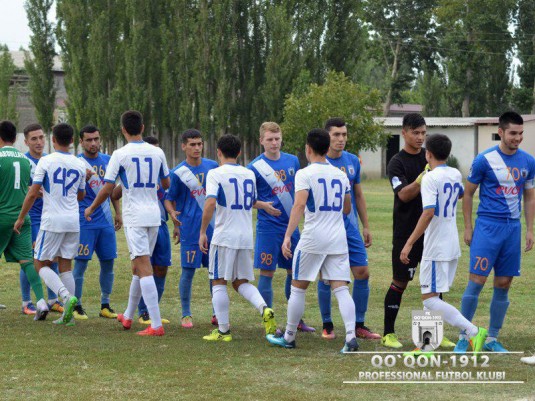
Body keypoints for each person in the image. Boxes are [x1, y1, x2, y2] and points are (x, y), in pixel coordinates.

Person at [266, 128, 358, 353]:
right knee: (341, 289)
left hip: (313, 237)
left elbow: (299, 205)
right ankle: (351, 337)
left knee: (298, 288)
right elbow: (347, 207)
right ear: (327, 148)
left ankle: (288, 336)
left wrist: (288, 236)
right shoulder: (341, 175)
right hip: (337, 238)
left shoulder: (305, 174)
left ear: (308, 149)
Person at [454, 111, 535, 353]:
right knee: (476, 282)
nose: (517, 138)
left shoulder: (529, 161)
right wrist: (468, 227)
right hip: (487, 227)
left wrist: (530, 229)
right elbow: (468, 194)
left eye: (521, 133)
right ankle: (464, 336)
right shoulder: (484, 160)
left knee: (504, 283)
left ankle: (492, 339)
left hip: (513, 229)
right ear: (500, 132)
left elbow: (530, 197)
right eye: (513, 133)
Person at [400, 133, 487, 354]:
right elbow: (458, 195)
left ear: (428, 153)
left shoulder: (430, 178)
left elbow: (428, 213)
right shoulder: (455, 173)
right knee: (432, 295)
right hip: (450, 244)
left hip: (436, 246)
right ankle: (426, 347)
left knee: (429, 300)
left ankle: (473, 331)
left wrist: (409, 242)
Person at [85, 110, 170, 336]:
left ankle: (156, 324)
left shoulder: (120, 154)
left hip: (135, 216)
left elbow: (107, 187)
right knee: (138, 267)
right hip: (154, 215)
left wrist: (92, 207)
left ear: (123, 130)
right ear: (143, 128)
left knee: (143, 267)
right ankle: (129, 316)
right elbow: (166, 182)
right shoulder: (158, 151)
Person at [382, 113, 456, 349]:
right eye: (416, 133)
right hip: (406, 232)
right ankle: (388, 333)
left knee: (433, 286)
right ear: (404, 132)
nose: (420, 137)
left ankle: (433, 334)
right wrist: (422, 178)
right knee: (400, 281)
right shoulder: (397, 162)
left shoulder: (431, 159)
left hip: (431, 234)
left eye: (423, 133)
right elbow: (403, 195)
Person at [199, 134, 277, 342]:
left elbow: (210, 203)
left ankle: (223, 331)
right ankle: (264, 309)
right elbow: (248, 200)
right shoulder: (248, 174)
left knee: (218, 281)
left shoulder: (215, 173)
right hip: (245, 236)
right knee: (240, 281)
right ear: (240, 152)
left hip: (224, 235)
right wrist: (263, 205)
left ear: (218, 152)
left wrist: (202, 232)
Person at [14, 123, 86, 325]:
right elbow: (81, 195)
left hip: (52, 220)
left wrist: (20, 218)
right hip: (73, 221)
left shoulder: (46, 161)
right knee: (66, 266)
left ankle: (65, 296)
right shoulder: (80, 164)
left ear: (52, 140)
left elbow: (32, 191)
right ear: (72, 141)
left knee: (38, 262)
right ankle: (67, 317)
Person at [247, 122, 314, 333]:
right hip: (268, 228)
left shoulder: (292, 161)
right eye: (270, 139)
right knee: (267, 273)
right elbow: (246, 199)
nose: (274, 143)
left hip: (290, 228)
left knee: (294, 272)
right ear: (261, 141)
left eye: (277, 139)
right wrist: (261, 205)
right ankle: (270, 321)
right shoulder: (254, 167)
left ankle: (296, 319)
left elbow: (300, 190)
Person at [317, 118, 380, 340]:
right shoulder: (318, 162)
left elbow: (359, 195)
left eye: (344, 135)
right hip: (327, 229)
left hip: (350, 228)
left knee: (362, 273)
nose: (341, 139)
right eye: (336, 135)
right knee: (326, 277)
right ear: (327, 137)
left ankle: (359, 324)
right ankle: (327, 324)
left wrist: (366, 226)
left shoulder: (352, 160)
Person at [164, 129, 218, 328]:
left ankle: (216, 312)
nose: (197, 148)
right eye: (192, 144)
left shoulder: (213, 167)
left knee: (215, 272)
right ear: (183, 146)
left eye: (199, 144)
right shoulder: (178, 172)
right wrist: (172, 214)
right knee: (188, 271)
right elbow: (169, 199)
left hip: (213, 228)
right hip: (190, 229)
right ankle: (186, 313)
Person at [73, 125, 122, 320]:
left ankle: (105, 305)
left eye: (96, 139)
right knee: (81, 264)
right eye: (89, 140)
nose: (93, 143)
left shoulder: (109, 161)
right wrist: (81, 180)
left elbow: (111, 191)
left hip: (106, 222)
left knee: (108, 263)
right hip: (84, 221)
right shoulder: (76, 163)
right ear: (81, 142)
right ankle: (75, 304)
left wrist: (118, 213)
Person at [0, 120, 48, 319]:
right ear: (16, 138)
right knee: (28, 261)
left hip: (2, 215)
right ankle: (41, 302)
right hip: (22, 217)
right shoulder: (25, 160)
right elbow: (36, 189)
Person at [20, 123, 64, 315]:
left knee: (52, 258)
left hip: (51, 217)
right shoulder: (22, 162)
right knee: (30, 260)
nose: (38, 142)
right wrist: (33, 192)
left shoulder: (50, 160)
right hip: (32, 218)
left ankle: (53, 299)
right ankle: (27, 301)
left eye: (41, 138)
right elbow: (19, 191)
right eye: (34, 139)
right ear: (26, 141)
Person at [134, 136, 171, 325]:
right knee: (143, 267)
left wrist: (172, 214)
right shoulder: (136, 175)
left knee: (162, 267)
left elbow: (166, 197)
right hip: (142, 222)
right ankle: (142, 311)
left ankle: (152, 308)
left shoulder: (163, 175)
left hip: (161, 223)